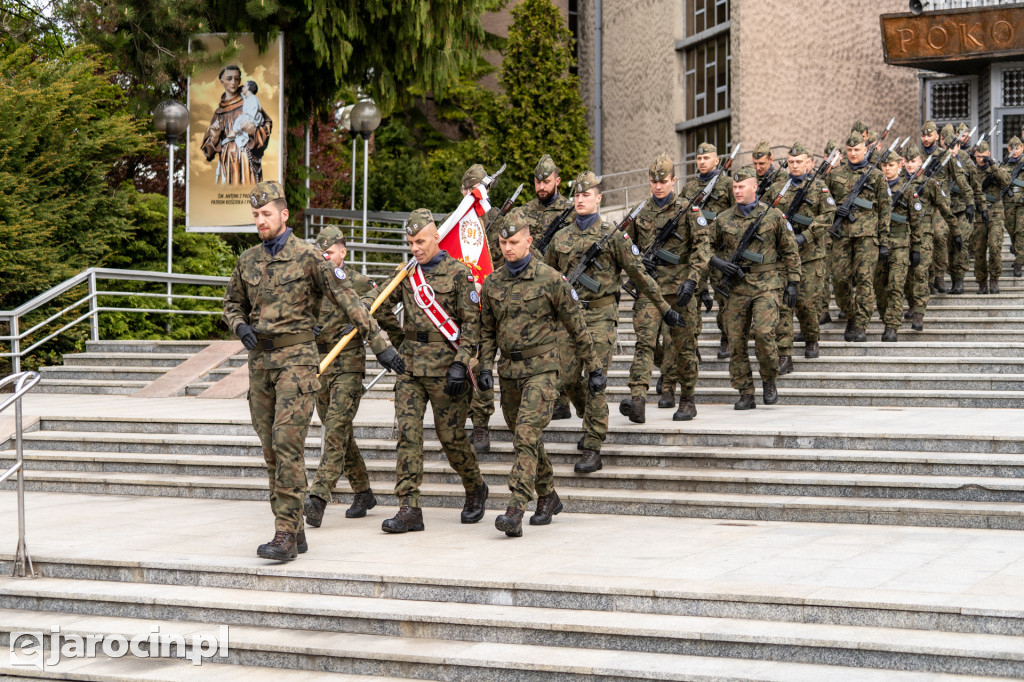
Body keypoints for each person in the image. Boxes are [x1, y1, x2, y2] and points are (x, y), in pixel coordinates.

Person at [222, 181, 404, 561]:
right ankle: (296, 529)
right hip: (260, 366)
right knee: (271, 451)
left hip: (298, 363)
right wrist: (239, 326)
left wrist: (381, 345)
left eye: (266, 214)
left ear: (284, 214)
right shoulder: (248, 260)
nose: (260, 220)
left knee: (287, 445)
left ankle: (285, 534)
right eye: (255, 215)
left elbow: (350, 301)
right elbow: (232, 304)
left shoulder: (309, 257)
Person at [544, 171, 685, 473]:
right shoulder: (561, 238)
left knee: (596, 380)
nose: (580, 199)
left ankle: (593, 445)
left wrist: (664, 308)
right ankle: (591, 418)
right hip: (569, 318)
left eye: (586, 195)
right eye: (577, 195)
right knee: (567, 379)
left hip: (601, 317)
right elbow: (547, 279)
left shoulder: (613, 236)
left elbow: (639, 275)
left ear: (598, 198)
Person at [479, 209, 601, 537]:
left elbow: (577, 327)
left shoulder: (550, 279)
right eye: (503, 243)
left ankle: (515, 508)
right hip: (509, 372)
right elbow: (487, 331)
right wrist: (485, 365)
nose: (507, 248)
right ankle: (548, 495)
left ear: (529, 241)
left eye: (514, 242)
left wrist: (594, 367)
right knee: (527, 438)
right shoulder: (492, 282)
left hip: (543, 370)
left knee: (525, 435)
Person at [366, 208, 489, 533]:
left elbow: (472, 324)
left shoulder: (459, 274)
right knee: (408, 435)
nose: (415, 248)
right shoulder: (406, 274)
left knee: (451, 438)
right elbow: (377, 303)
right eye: (410, 243)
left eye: (420, 241)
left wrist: (462, 362)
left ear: (436, 237)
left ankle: (475, 486)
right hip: (410, 368)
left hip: (447, 368)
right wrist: (395, 341)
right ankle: (409, 508)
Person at [304, 227, 401, 528]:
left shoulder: (356, 282)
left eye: (329, 252)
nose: (325, 257)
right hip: (320, 365)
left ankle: (318, 497)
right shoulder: (311, 284)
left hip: (348, 364)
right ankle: (363, 492)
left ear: (342, 252)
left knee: (334, 430)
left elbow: (379, 308)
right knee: (341, 433)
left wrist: (396, 345)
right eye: (321, 253)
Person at [622, 153, 710, 422]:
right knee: (644, 343)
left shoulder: (689, 211)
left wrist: (692, 280)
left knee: (684, 347)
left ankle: (688, 400)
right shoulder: (640, 212)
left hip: (680, 291)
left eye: (663, 181)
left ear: (674, 180)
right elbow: (626, 248)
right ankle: (638, 399)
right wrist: (639, 262)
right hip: (650, 290)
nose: (658, 186)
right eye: (654, 182)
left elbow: (702, 249)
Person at [709, 167, 800, 409]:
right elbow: (704, 247)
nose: (737, 191)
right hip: (736, 287)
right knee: (736, 341)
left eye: (742, 187)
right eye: (734, 187)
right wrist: (719, 263)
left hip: (766, 284)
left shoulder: (773, 216)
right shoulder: (723, 218)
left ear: (754, 187)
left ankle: (769, 378)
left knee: (763, 333)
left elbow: (790, 250)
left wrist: (793, 282)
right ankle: (745, 392)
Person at [520, 154, 576, 421]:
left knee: (561, 345)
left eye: (547, 182)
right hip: (532, 288)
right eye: (537, 182)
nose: (541, 187)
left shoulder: (571, 211)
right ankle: (545, 398)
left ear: (558, 181)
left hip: (562, 285)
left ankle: (562, 400)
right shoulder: (524, 212)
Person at [770, 142, 835, 369]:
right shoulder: (778, 188)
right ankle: (784, 353)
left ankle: (811, 338)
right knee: (783, 305)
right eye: (791, 162)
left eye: (799, 162)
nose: (795, 165)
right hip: (783, 257)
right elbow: (765, 214)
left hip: (810, 255)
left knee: (806, 303)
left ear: (808, 163)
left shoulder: (819, 187)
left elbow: (828, 216)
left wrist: (805, 236)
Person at [826, 134, 891, 342]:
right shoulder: (834, 175)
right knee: (839, 279)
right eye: (849, 150)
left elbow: (885, 210)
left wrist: (884, 242)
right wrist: (836, 210)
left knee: (864, 280)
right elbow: (825, 203)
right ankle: (851, 315)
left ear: (865, 150)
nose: (853, 154)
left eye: (857, 150)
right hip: (841, 235)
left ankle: (861, 324)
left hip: (867, 236)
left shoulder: (877, 176)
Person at [457, 164, 500, 454]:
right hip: (461, 306)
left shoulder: (498, 219)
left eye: (479, 189)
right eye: (470, 190)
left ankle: (481, 425)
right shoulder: (455, 221)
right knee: (464, 363)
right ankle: (464, 421)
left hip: (490, 303)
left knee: (482, 363)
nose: (473, 194)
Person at [681, 142, 735, 359]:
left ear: (717, 160)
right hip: (696, 253)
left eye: (706, 158)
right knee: (693, 298)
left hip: (720, 252)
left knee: (724, 297)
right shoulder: (689, 188)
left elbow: (736, 214)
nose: (702, 162)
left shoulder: (728, 184)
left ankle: (727, 338)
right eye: (699, 158)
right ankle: (692, 345)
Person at [900, 144, 957, 332]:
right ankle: (912, 303)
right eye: (907, 161)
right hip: (901, 236)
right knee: (907, 275)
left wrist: (956, 231)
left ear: (920, 162)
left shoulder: (930, 183)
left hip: (924, 235)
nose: (910, 165)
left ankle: (919, 312)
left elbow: (945, 209)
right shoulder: (897, 183)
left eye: (913, 161)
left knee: (920, 273)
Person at [874, 150, 924, 342]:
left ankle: (892, 326)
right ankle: (886, 317)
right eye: (884, 165)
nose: (887, 169)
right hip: (878, 245)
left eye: (891, 165)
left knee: (895, 286)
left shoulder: (908, 189)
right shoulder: (874, 187)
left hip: (900, 244)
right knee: (879, 288)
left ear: (899, 166)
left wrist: (916, 247)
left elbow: (916, 221)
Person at [200, 65, 272, 185]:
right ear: (222, 81)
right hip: (227, 160)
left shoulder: (249, 101)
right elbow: (208, 151)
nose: (233, 82)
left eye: (236, 79)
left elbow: (266, 125)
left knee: (247, 191)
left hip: (246, 158)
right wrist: (215, 136)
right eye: (229, 78)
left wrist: (253, 131)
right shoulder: (219, 112)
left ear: (240, 81)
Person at [1003, 137, 1024, 278]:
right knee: (1011, 231)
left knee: (1021, 231)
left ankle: (1018, 264)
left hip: (1022, 203)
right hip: (1008, 203)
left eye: (1018, 148)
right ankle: (1017, 251)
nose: (1015, 151)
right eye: (1012, 148)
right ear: (1009, 149)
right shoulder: (1005, 165)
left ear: (1022, 147)